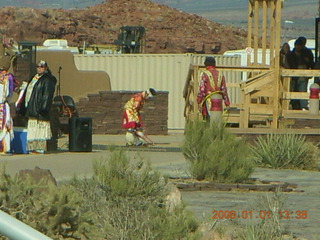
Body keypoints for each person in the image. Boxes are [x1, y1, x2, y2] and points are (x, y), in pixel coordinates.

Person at [17, 60, 57, 154]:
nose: (39, 68)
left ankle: (39, 148)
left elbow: (47, 95)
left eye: (41, 67)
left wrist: (44, 108)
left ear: (46, 68)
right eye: (38, 67)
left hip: (40, 109)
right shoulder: (34, 78)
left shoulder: (47, 79)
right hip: (32, 107)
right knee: (32, 128)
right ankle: (32, 147)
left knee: (40, 129)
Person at [197, 56, 230, 121]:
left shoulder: (204, 74)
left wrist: (199, 101)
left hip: (208, 100)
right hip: (218, 100)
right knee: (217, 119)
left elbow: (202, 89)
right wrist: (227, 103)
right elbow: (224, 90)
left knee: (208, 120)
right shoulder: (220, 74)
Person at [286, 37, 314, 110]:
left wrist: (309, 71)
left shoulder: (307, 53)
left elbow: (312, 64)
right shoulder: (290, 55)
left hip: (303, 76)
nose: (298, 47)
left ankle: (303, 105)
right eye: (297, 45)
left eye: (300, 45)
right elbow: (287, 64)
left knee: (302, 89)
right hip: (293, 76)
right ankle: (295, 105)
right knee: (293, 90)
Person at [0, 56, 16, 155]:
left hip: (2, 106)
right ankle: (5, 148)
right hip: (4, 106)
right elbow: (10, 92)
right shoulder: (9, 77)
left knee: (4, 126)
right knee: (5, 127)